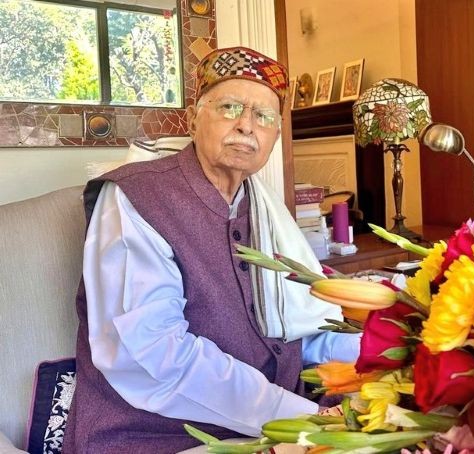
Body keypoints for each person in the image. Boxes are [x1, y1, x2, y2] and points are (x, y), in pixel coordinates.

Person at [63, 47, 360, 453]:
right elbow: (153, 356)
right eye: (230, 107)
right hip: (160, 434)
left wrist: (390, 350)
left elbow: (299, 328)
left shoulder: (264, 210)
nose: (246, 125)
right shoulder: (138, 197)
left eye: (264, 116)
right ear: (192, 119)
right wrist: (297, 417)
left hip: (280, 417)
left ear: (275, 136)